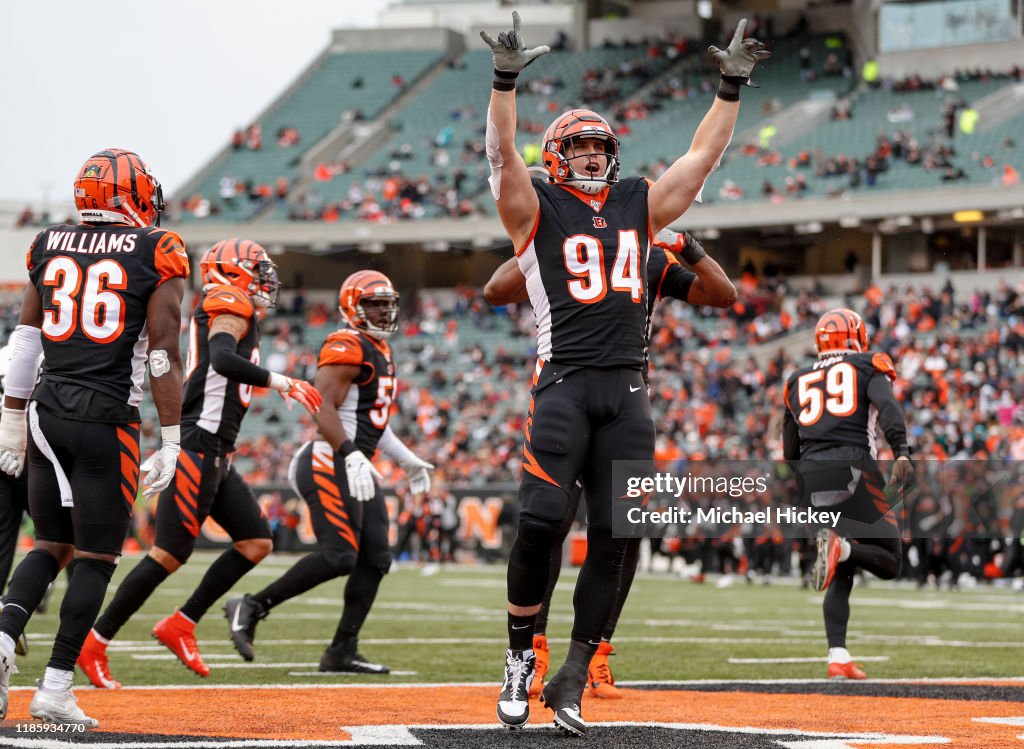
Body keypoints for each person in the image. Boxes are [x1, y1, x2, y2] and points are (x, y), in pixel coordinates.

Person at [479, 12, 767, 735]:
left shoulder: (640, 203)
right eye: (574, 146)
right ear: (556, 156)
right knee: (540, 522)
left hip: (628, 389)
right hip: (565, 384)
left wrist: (729, 88)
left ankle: (575, 671)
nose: (587, 155)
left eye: (596, 145)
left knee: (620, 532)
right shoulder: (536, 207)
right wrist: (505, 81)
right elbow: (499, 155)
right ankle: (521, 656)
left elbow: (700, 160)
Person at [485, 228, 735, 699]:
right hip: (565, 395)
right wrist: (536, 237)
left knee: (624, 529)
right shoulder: (556, 241)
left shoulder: (644, 253)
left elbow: (722, 294)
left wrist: (686, 245)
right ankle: (532, 650)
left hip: (623, 401)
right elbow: (496, 290)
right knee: (549, 521)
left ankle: (595, 653)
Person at [76, 239, 321, 688]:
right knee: (168, 554)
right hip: (198, 445)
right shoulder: (227, 299)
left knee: (255, 542)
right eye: (256, 268)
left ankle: (182, 623)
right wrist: (281, 381)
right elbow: (224, 360)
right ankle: (93, 644)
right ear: (230, 271)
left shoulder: (239, 305)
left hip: (217, 452)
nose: (266, 277)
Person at [0, 149, 190, 726]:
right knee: (97, 556)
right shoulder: (158, 248)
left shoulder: (49, 241)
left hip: (44, 411)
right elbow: (162, 353)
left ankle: (3, 640)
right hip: (106, 418)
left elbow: (26, 340)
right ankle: (55, 686)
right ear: (132, 194)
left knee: (49, 545)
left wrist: (11, 418)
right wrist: (175, 439)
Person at [223, 271, 433, 674]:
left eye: (388, 303)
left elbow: (372, 422)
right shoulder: (346, 343)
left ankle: (342, 650)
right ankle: (250, 606)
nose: (384, 311)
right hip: (327, 457)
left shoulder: (379, 348)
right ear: (351, 307)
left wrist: (405, 458)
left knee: (376, 558)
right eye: (374, 304)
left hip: (353, 460)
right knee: (340, 556)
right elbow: (323, 407)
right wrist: (352, 452)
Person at [783, 309, 911, 680]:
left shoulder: (796, 379)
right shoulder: (867, 364)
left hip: (811, 479)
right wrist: (901, 449)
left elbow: (790, 450)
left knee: (841, 566)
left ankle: (837, 654)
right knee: (890, 560)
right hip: (854, 470)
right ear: (857, 336)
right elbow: (887, 407)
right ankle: (846, 548)